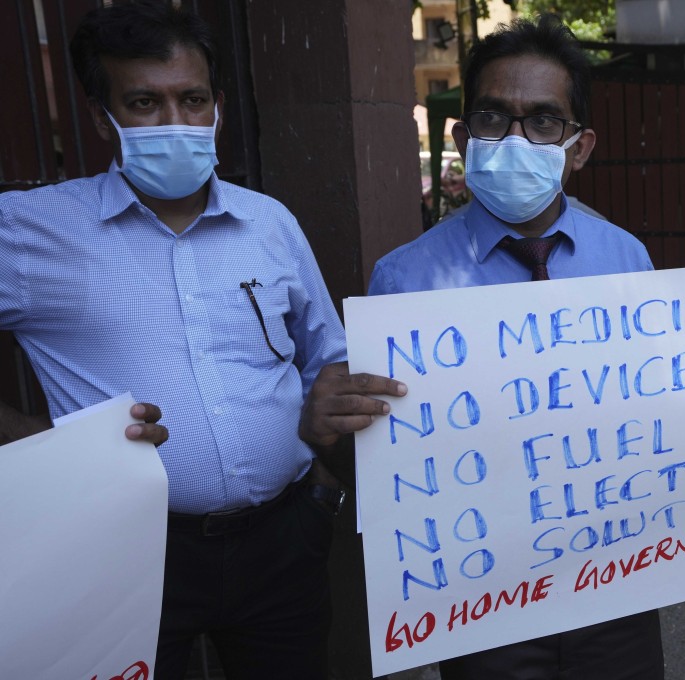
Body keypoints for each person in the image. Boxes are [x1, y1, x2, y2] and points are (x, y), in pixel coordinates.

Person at [303, 14, 685, 680]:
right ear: (465, 138)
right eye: (495, 119)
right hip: (483, 605)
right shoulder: (403, 279)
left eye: (544, 121)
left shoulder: (627, 257)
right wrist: (329, 434)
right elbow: (389, 468)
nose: (517, 138)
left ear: (579, 148)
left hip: (615, 591)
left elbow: (675, 407)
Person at [0, 3, 404, 679]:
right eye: (143, 103)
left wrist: (324, 451)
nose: (175, 124)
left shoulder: (269, 223)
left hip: (284, 543)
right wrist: (32, 440)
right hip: (121, 553)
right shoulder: (29, 233)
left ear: (217, 106)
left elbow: (324, 357)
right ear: (103, 118)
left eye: (191, 100)